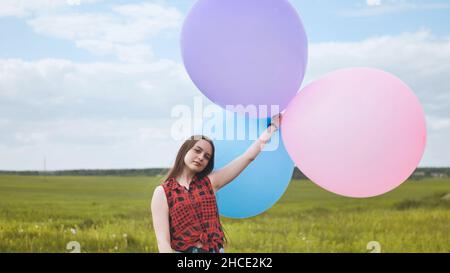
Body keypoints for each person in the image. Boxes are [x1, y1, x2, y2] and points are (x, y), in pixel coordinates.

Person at [151, 114, 281, 253]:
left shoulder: (210, 183)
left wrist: (272, 128)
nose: (201, 157)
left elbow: (247, 157)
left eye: (207, 156)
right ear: (185, 150)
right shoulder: (163, 192)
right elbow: (163, 243)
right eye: (197, 150)